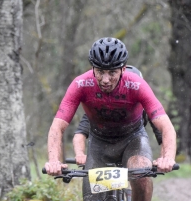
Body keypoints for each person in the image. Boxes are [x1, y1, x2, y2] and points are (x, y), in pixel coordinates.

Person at [44, 37, 177, 201]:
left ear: (123, 69)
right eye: (100, 71)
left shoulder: (137, 84)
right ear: (93, 68)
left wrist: (168, 158)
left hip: (133, 140)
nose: (105, 80)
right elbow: (57, 127)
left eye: (112, 72)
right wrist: (53, 161)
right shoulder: (80, 84)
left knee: (140, 173)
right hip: (99, 144)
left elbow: (166, 127)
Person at [73, 65, 163, 165]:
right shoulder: (100, 108)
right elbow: (80, 133)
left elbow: (162, 133)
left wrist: (163, 158)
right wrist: (79, 154)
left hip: (132, 141)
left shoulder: (146, 106)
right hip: (103, 145)